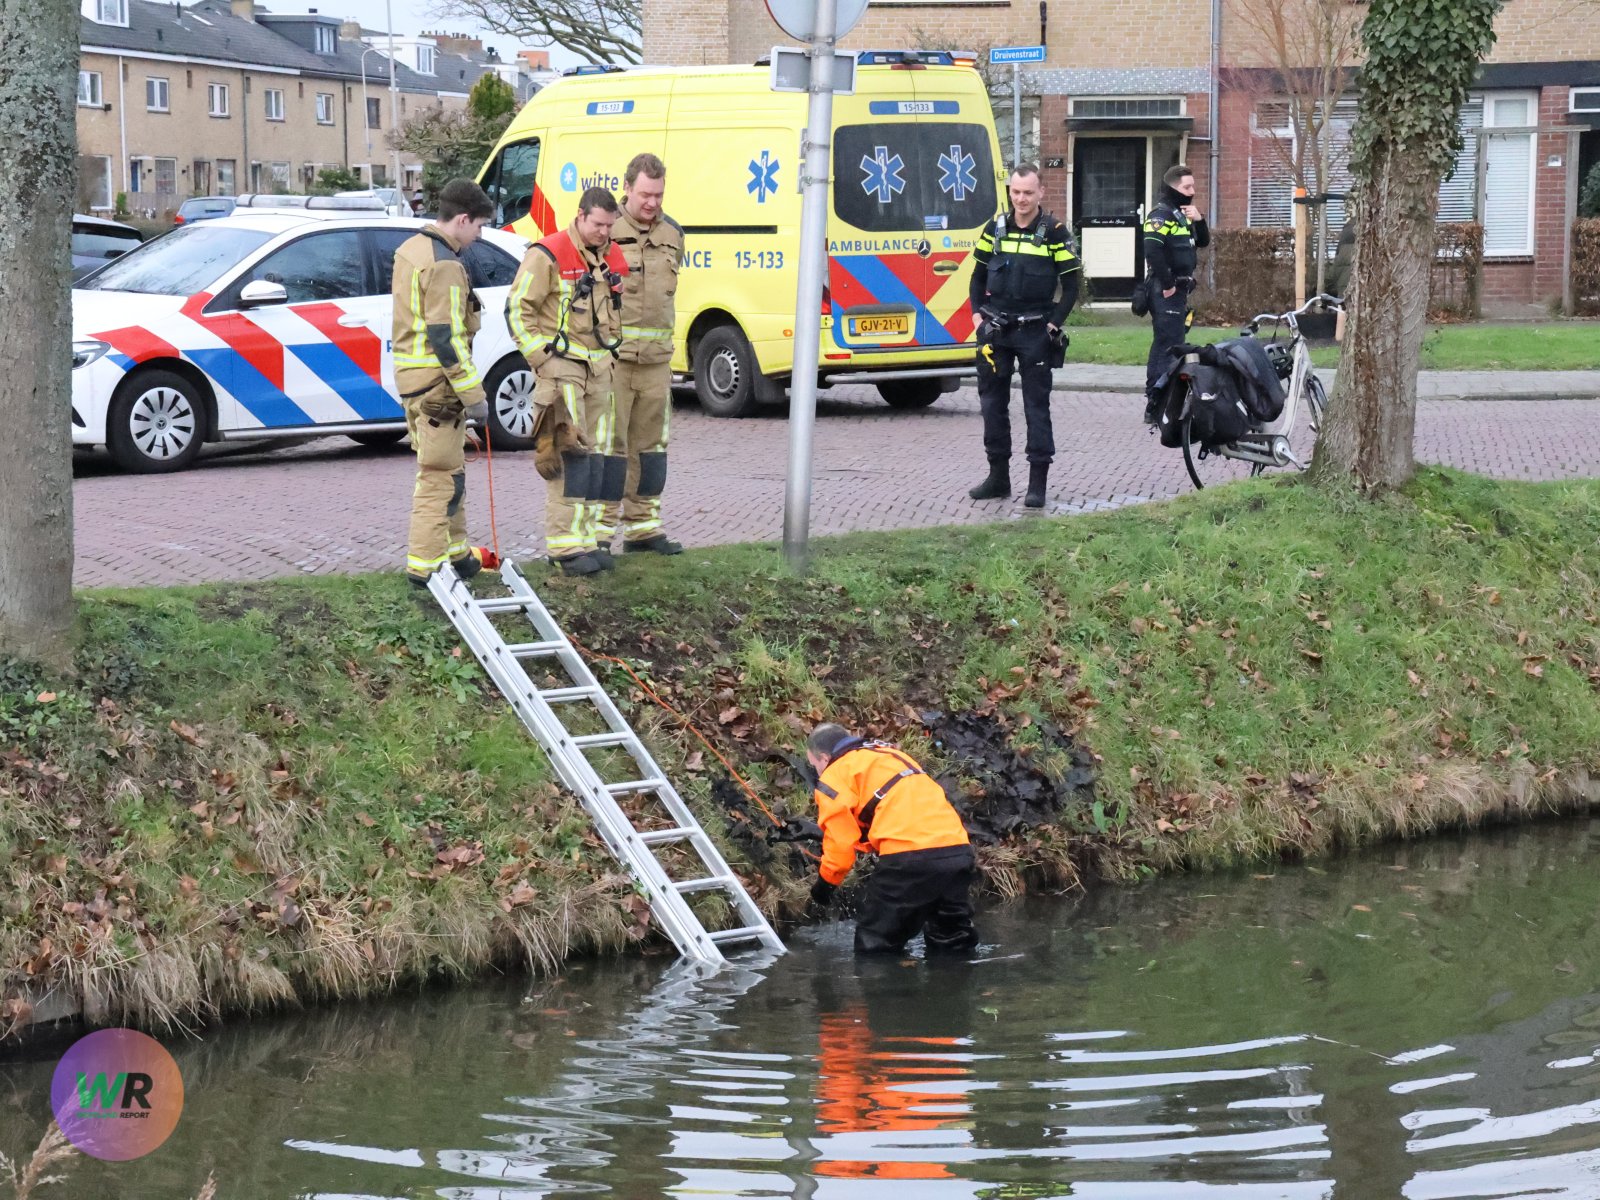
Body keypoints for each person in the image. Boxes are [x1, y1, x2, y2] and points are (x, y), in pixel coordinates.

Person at [507, 187, 629, 575]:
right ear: (580, 216)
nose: (604, 233)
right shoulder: (547, 253)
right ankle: (565, 546)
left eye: (609, 226)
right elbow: (516, 309)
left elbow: (608, 313)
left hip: (597, 369)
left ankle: (587, 538)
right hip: (563, 368)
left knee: (598, 455)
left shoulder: (605, 255)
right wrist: (541, 357)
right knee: (569, 452)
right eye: (598, 224)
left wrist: (610, 353)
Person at [390, 177, 499, 588]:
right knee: (438, 475)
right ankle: (425, 566)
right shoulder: (446, 264)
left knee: (451, 469)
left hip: (413, 381)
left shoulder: (411, 249)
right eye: (479, 227)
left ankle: (456, 553)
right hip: (438, 387)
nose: (479, 236)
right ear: (463, 220)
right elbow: (447, 338)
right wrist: (475, 397)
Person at [804, 722, 978, 955]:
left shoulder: (834, 775)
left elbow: (841, 850)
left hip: (908, 860)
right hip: (957, 852)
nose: (816, 771)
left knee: (875, 945)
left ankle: (886, 990)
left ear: (824, 758)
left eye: (813, 765)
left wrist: (823, 886)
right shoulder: (892, 755)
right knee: (953, 941)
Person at [967, 164, 1081, 509]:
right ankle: (998, 478)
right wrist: (976, 316)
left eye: (1028, 192)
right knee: (992, 405)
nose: (1021, 199)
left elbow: (1074, 284)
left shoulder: (1055, 232)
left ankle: (1037, 484)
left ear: (1041, 192)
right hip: (995, 329)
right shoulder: (995, 228)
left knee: (1035, 407)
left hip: (1035, 331)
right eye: (1016, 192)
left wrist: (1055, 322)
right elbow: (977, 276)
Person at [596, 153, 685, 557]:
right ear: (627, 188)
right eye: (646, 194)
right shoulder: (605, 231)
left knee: (650, 449)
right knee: (610, 448)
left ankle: (643, 528)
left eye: (659, 195)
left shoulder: (673, 234)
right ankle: (599, 534)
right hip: (614, 361)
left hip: (656, 362)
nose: (652, 203)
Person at [1142, 163, 1211, 425]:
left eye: (1193, 186)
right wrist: (1168, 283)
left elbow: (1202, 242)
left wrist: (1200, 219)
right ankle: (1155, 401)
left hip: (1179, 289)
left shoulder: (1181, 215)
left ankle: (1166, 398)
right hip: (1165, 290)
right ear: (1173, 188)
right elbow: (1153, 250)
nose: (1192, 191)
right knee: (1167, 344)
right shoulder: (1161, 215)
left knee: (1173, 341)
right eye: (1187, 187)